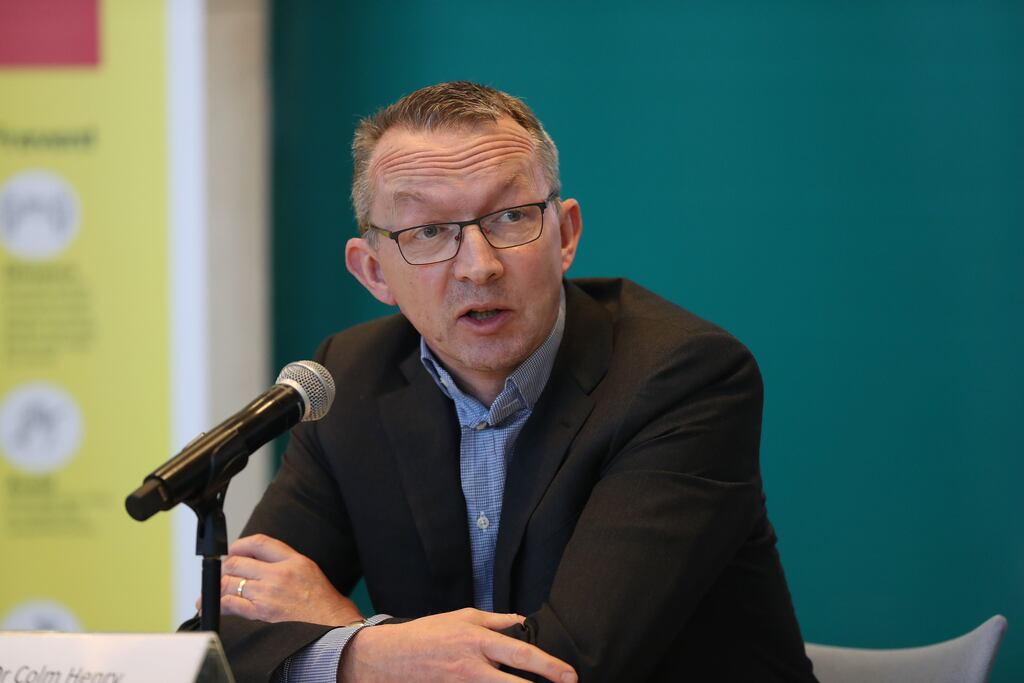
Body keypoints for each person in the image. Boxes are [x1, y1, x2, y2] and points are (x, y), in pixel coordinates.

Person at [187, 81, 818, 683]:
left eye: (511, 217)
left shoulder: (682, 378)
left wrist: (352, 637)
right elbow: (222, 636)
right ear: (374, 272)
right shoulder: (350, 379)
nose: (479, 266)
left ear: (565, 234)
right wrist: (372, 655)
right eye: (428, 232)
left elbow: (569, 668)